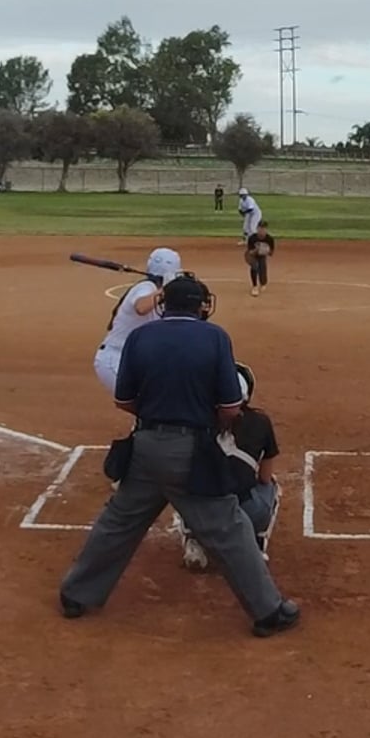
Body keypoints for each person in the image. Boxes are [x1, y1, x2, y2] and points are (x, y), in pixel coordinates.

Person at [59, 275, 300, 638]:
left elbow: (123, 400)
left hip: (144, 447)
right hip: (191, 452)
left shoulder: (139, 337)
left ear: (164, 304)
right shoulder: (215, 337)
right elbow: (231, 406)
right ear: (200, 306)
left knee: (118, 522)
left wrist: (156, 414)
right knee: (229, 528)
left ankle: (75, 594)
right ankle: (268, 611)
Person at [178, 362, 282, 565]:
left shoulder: (195, 420)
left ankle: (194, 540)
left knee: (185, 481)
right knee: (272, 486)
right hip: (245, 512)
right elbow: (264, 477)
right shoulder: (260, 422)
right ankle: (255, 544)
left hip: (202, 512)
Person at [93, 248, 183, 396]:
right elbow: (141, 307)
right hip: (116, 359)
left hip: (136, 360)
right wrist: (166, 290)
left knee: (159, 399)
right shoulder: (146, 287)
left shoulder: (158, 294)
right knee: (148, 400)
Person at [245, 219, 275, 297]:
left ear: (266, 229)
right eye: (260, 228)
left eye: (264, 228)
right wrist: (257, 250)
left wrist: (266, 250)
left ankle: (263, 282)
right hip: (251, 255)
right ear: (257, 228)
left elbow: (271, 253)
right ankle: (254, 287)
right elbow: (250, 252)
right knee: (255, 266)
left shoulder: (269, 239)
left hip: (262, 256)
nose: (262, 230)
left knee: (262, 269)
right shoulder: (252, 238)